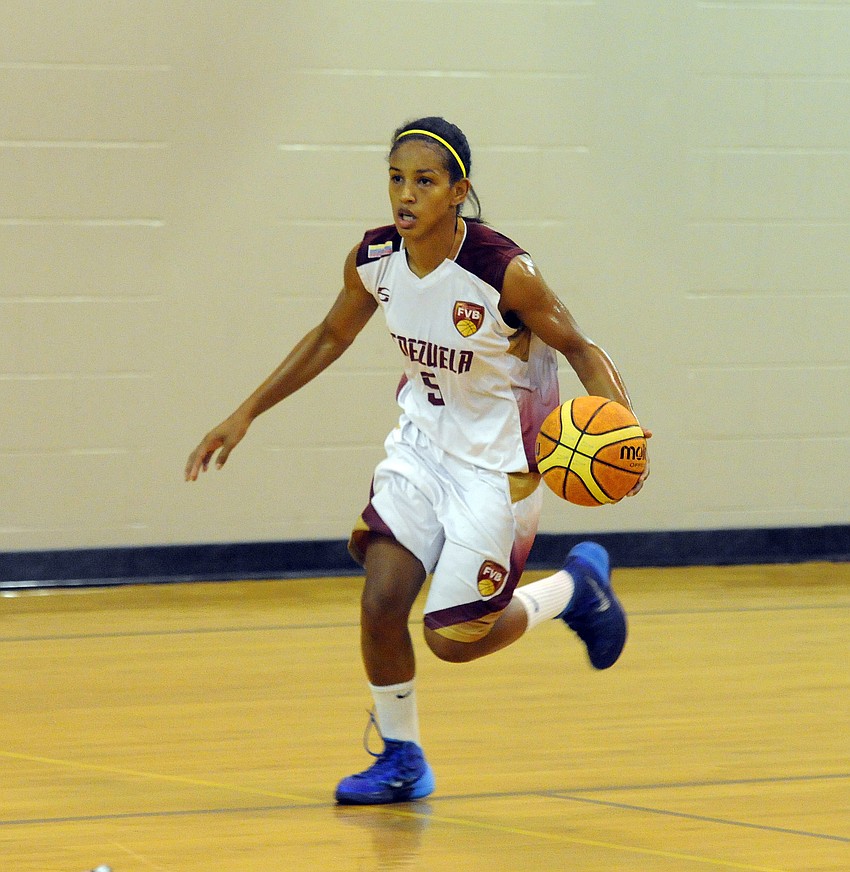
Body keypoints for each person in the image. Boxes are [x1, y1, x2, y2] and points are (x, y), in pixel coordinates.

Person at [185, 116, 650, 805]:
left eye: (424, 182)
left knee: (455, 640)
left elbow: (579, 347)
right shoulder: (375, 259)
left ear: (458, 191)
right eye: (396, 179)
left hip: (499, 470)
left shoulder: (505, 273)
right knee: (381, 602)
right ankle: (403, 760)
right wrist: (246, 411)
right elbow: (328, 337)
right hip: (421, 450)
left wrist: (624, 429)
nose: (405, 195)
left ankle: (575, 591)